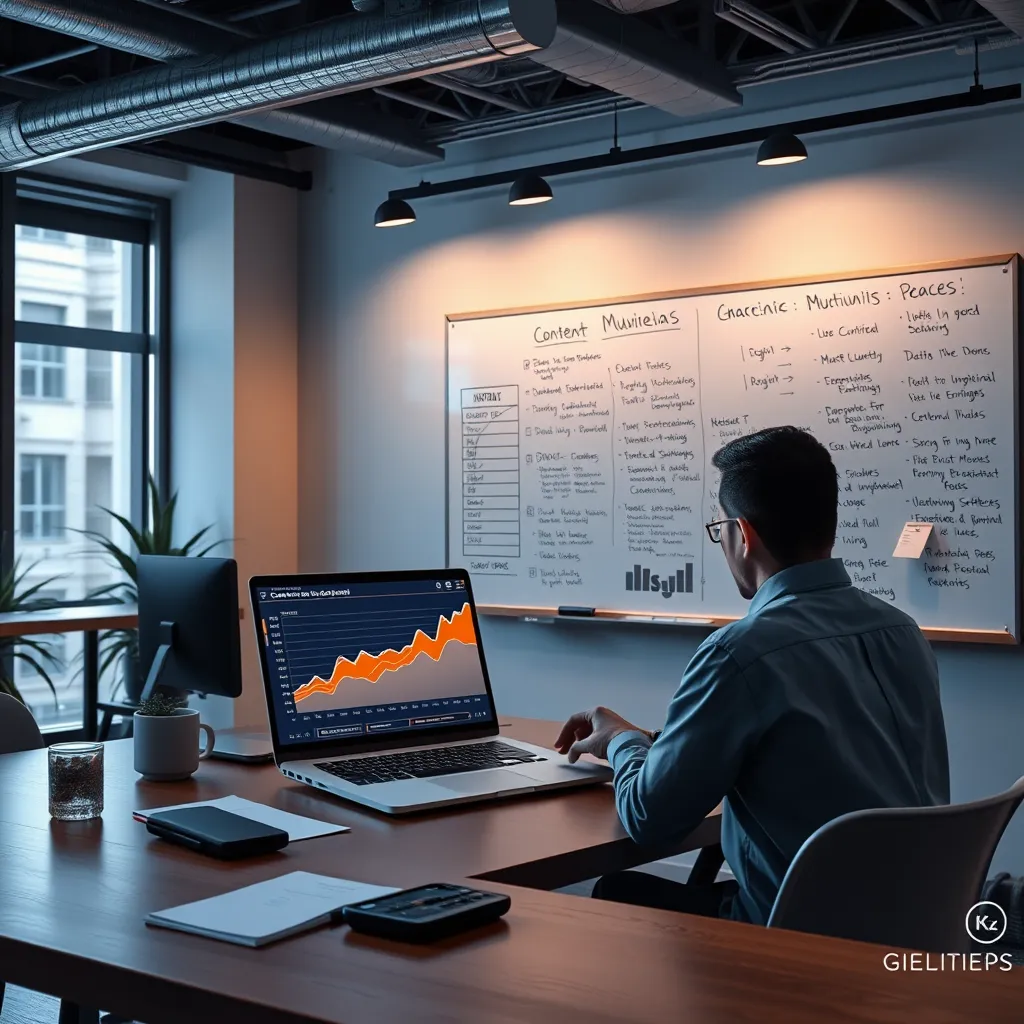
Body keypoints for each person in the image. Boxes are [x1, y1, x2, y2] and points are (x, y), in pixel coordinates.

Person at [555, 426, 950, 925]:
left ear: (743, 535)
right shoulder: (902, 632)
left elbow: (649, 820)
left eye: (718, 528)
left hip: (802, 942)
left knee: (617, 891)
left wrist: (622, 741)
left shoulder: (740, 653)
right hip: (915, 923)